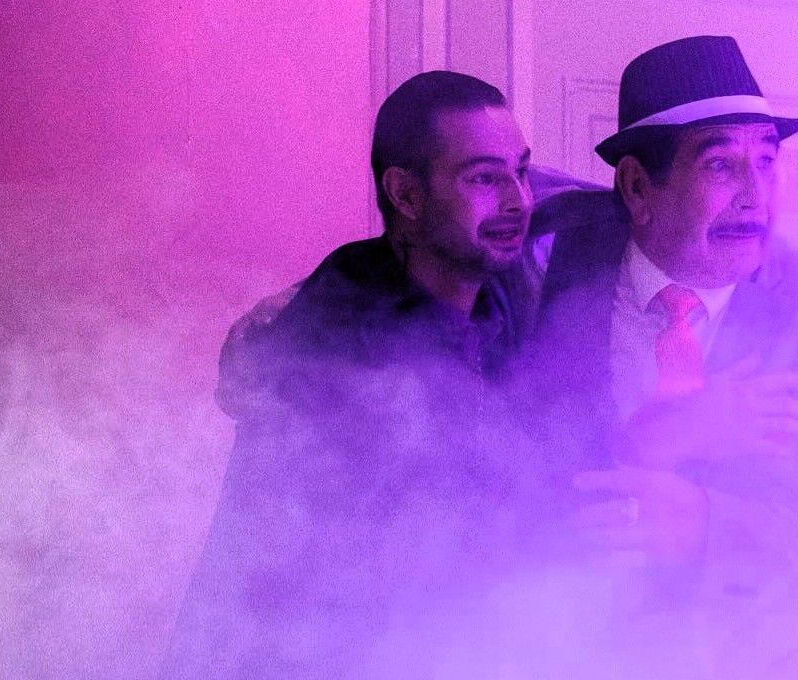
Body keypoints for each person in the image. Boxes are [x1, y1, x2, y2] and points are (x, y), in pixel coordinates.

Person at [530, 36, 798, 677]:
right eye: (720, 166)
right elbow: (491, 484)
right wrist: (657, 438)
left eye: (766, 161)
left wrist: (707, 526)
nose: (754, 196)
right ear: (636, 188)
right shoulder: (542, 273)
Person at [164, 71, 545, 679]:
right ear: (407, 196)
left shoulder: (509, 306)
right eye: (483, 178)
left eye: (521, 171)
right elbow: (264, 596)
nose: (518, 199)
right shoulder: (334, 364)